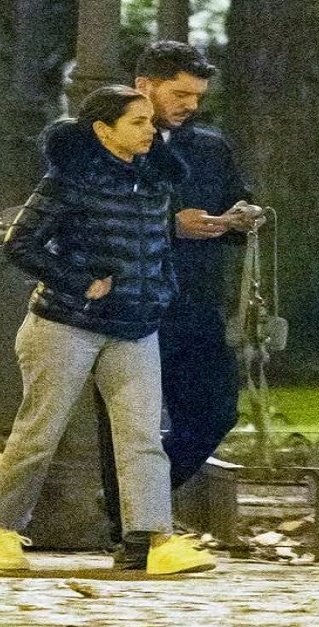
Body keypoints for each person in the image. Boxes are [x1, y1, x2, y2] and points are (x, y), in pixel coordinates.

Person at [0, 85, 216, 576]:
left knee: (143, 438)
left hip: (136, 326)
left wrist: (161, 292)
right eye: (137, 122)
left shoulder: (155, 181)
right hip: (65, 325)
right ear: (104, 131)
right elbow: (20, 243)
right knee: (40, 433)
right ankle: (1, 532)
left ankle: (155, 541)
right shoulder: (69, 179)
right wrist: (79, 281)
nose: (150, 131)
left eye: (150, 121)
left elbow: (157, 247)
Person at [100, 41, 260, 570]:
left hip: (196, 302)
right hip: (130, 303)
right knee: (132, 423)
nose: (191, 104)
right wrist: (172, 226)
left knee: (215, 412)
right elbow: (95, 220)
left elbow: (234, 200)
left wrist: (240, 219)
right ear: (144, 86)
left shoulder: (210, 147)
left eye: (198, 96)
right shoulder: (105, 141)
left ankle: (132, 507)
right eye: (180, 93)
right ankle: (135, 535)